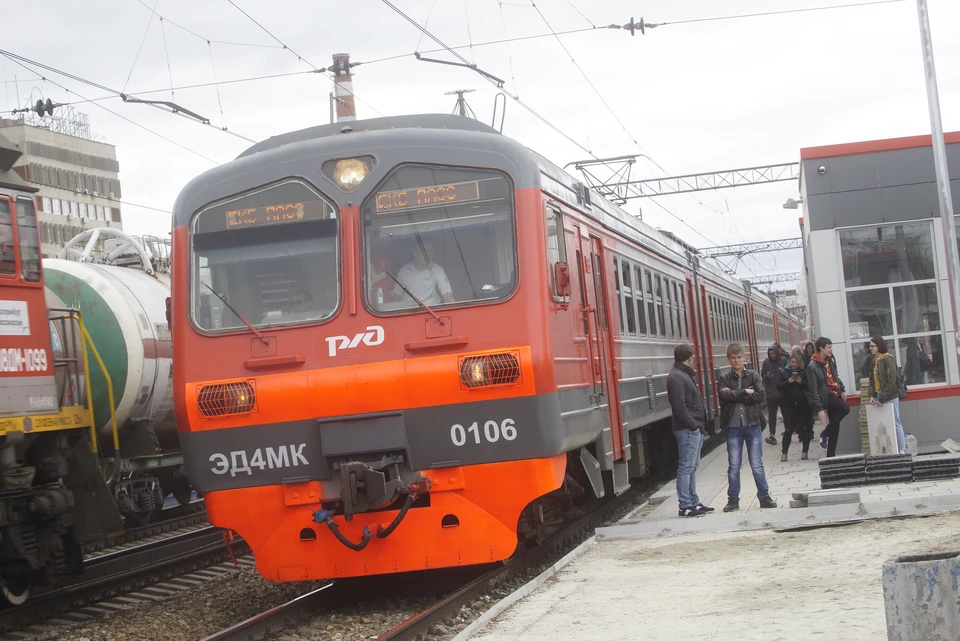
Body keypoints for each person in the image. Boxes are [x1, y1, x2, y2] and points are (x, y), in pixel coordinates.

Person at [718, 343, 778, 512]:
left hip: (753, 425)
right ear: (729, 359)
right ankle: (733, 500)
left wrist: (735, 394)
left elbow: (760, 396)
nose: (736, 360)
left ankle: (764, 497)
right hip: (733, 427)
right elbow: (723, 395)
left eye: (739, 357)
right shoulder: (724, 378)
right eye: (733, 358)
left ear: (744, 357)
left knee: (756, 463)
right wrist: (745, 391)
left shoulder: (754, 375)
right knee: (734, 466)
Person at [666, 344, 714, 517]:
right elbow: (679, 406)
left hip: (692, 428)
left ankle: (694, 502)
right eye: (693, 358)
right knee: (686, 467)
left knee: (692, 466)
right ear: (690, 358)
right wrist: (693, 426)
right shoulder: (678, 377)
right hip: (687, 429)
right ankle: (685, 505)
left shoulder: (682, 375)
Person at [806, 336, 850, 457]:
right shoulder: (812, 366)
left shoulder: (830, 360)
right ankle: (824, 434)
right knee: (845, 409)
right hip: (826, 395)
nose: (831, 350)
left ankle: (831, 456)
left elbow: (836, 376)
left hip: (836, 393)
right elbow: (813, 390)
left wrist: (842, 389)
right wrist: (819, 409)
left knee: (835, 427)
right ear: (821, 348)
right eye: (829, 347)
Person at [868, 336, 906, 454]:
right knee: (883, 423)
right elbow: (871, 380)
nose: (871, 348)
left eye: (872, 346)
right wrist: (872, 396)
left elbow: (891, 380)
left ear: (879, 346)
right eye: (870, 346)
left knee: (895, 422)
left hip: (890, 396)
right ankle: (889, 449)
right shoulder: (874, 361)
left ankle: (902, 449)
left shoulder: (888, 359)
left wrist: (882, 398)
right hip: (880, 395)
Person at [394, 237, 456, 306]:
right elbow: (396, 298)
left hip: (431, 314)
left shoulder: (438, 271)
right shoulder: (404, 271)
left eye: (430, 251)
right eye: (423, 251)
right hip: (407, 314)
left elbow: (448, 297)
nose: (427, 254)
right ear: (414, 253)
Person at [778, 354, 811, 460]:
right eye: (792, 362)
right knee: (789, 429)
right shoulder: (784, 373)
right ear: (789, 362)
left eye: (796, 362)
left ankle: (805, 451)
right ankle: (784, 453)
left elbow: (809, 386)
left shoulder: (804, 372)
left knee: (804, 428)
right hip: (789, 404)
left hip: (802, 403)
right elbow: (779, 387)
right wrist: (788, 381)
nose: (794, 364)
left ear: (799, 363)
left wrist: (801, 382)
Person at [760, 343, 787, 446]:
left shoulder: (783, 360)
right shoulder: (766, 363)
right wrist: (767, 377)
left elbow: (787, 373)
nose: (772, 355)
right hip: (771, 393)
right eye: (770, 353)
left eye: (773, 353)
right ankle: (772, 434)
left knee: (786, 413)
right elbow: (763, 375)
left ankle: (787, 431)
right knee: (772, 415)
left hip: (782, 392)